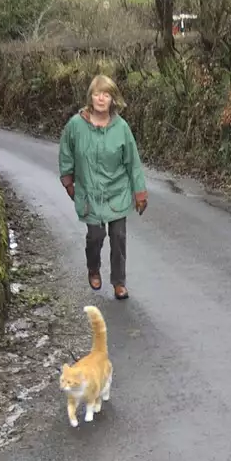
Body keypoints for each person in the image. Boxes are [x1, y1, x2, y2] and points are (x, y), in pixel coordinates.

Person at [59, 74, 148, 300]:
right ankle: (93, 267)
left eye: (106, 94)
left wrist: (140, 193)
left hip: (117, 191)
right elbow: (66, 153)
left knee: (118, 236)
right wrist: (69, 181)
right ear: (91, 97)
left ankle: (119, 282)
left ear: (112, 99)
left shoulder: (122, 128)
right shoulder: (76, 126)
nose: (101, 98)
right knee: (95, 236)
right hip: (90, 192)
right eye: (97, 94)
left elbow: (133, 162)